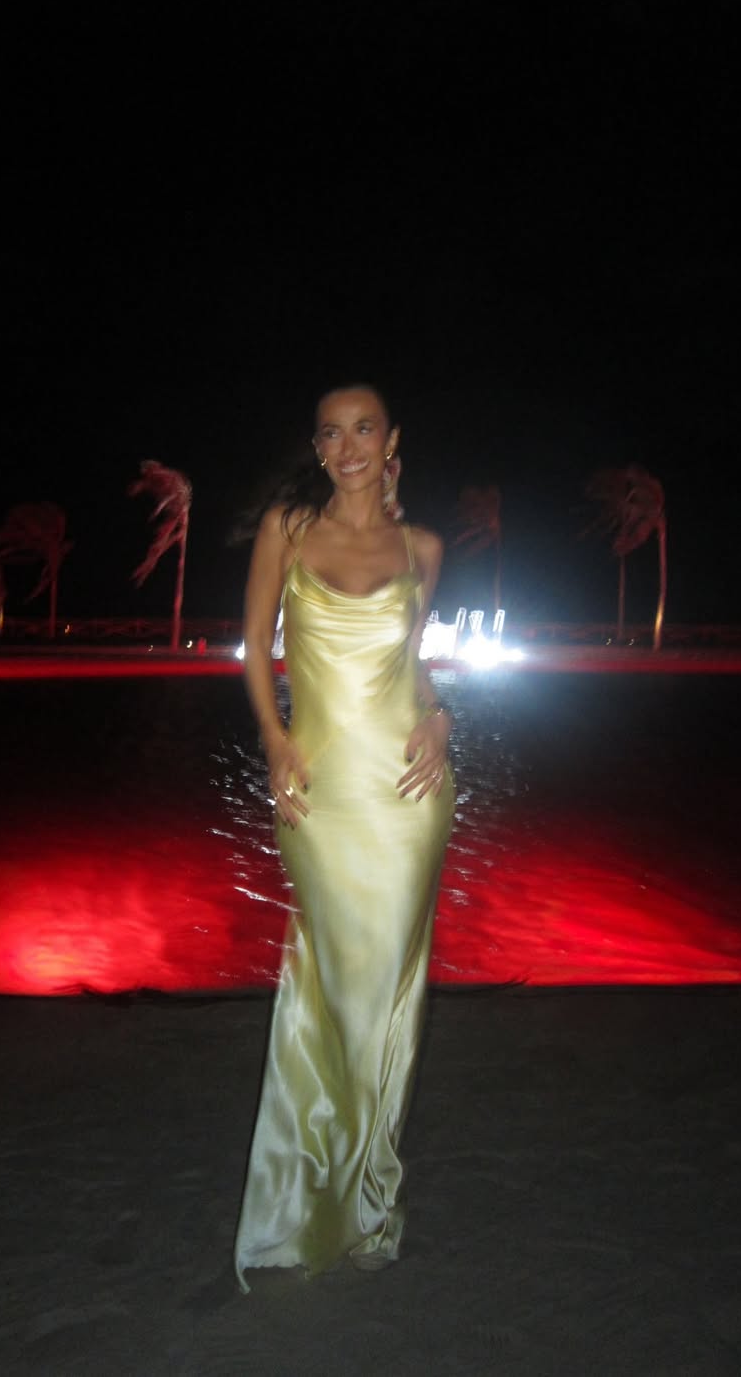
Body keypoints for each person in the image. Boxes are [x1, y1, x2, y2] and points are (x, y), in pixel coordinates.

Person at [234, 385, 455, 1289]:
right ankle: (322, 1180)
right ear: (318, 448)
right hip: (318, 792)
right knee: (333, 981)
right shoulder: (288, 529)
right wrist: (275, 739)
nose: (348, 445)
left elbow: (414, 667)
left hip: (408, 796)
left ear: (391, 440)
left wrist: (441, 718)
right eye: (332, 432)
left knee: (388, 991)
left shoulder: (422, 548)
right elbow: (256, 644)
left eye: (365, 429)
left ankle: (367, 1188)